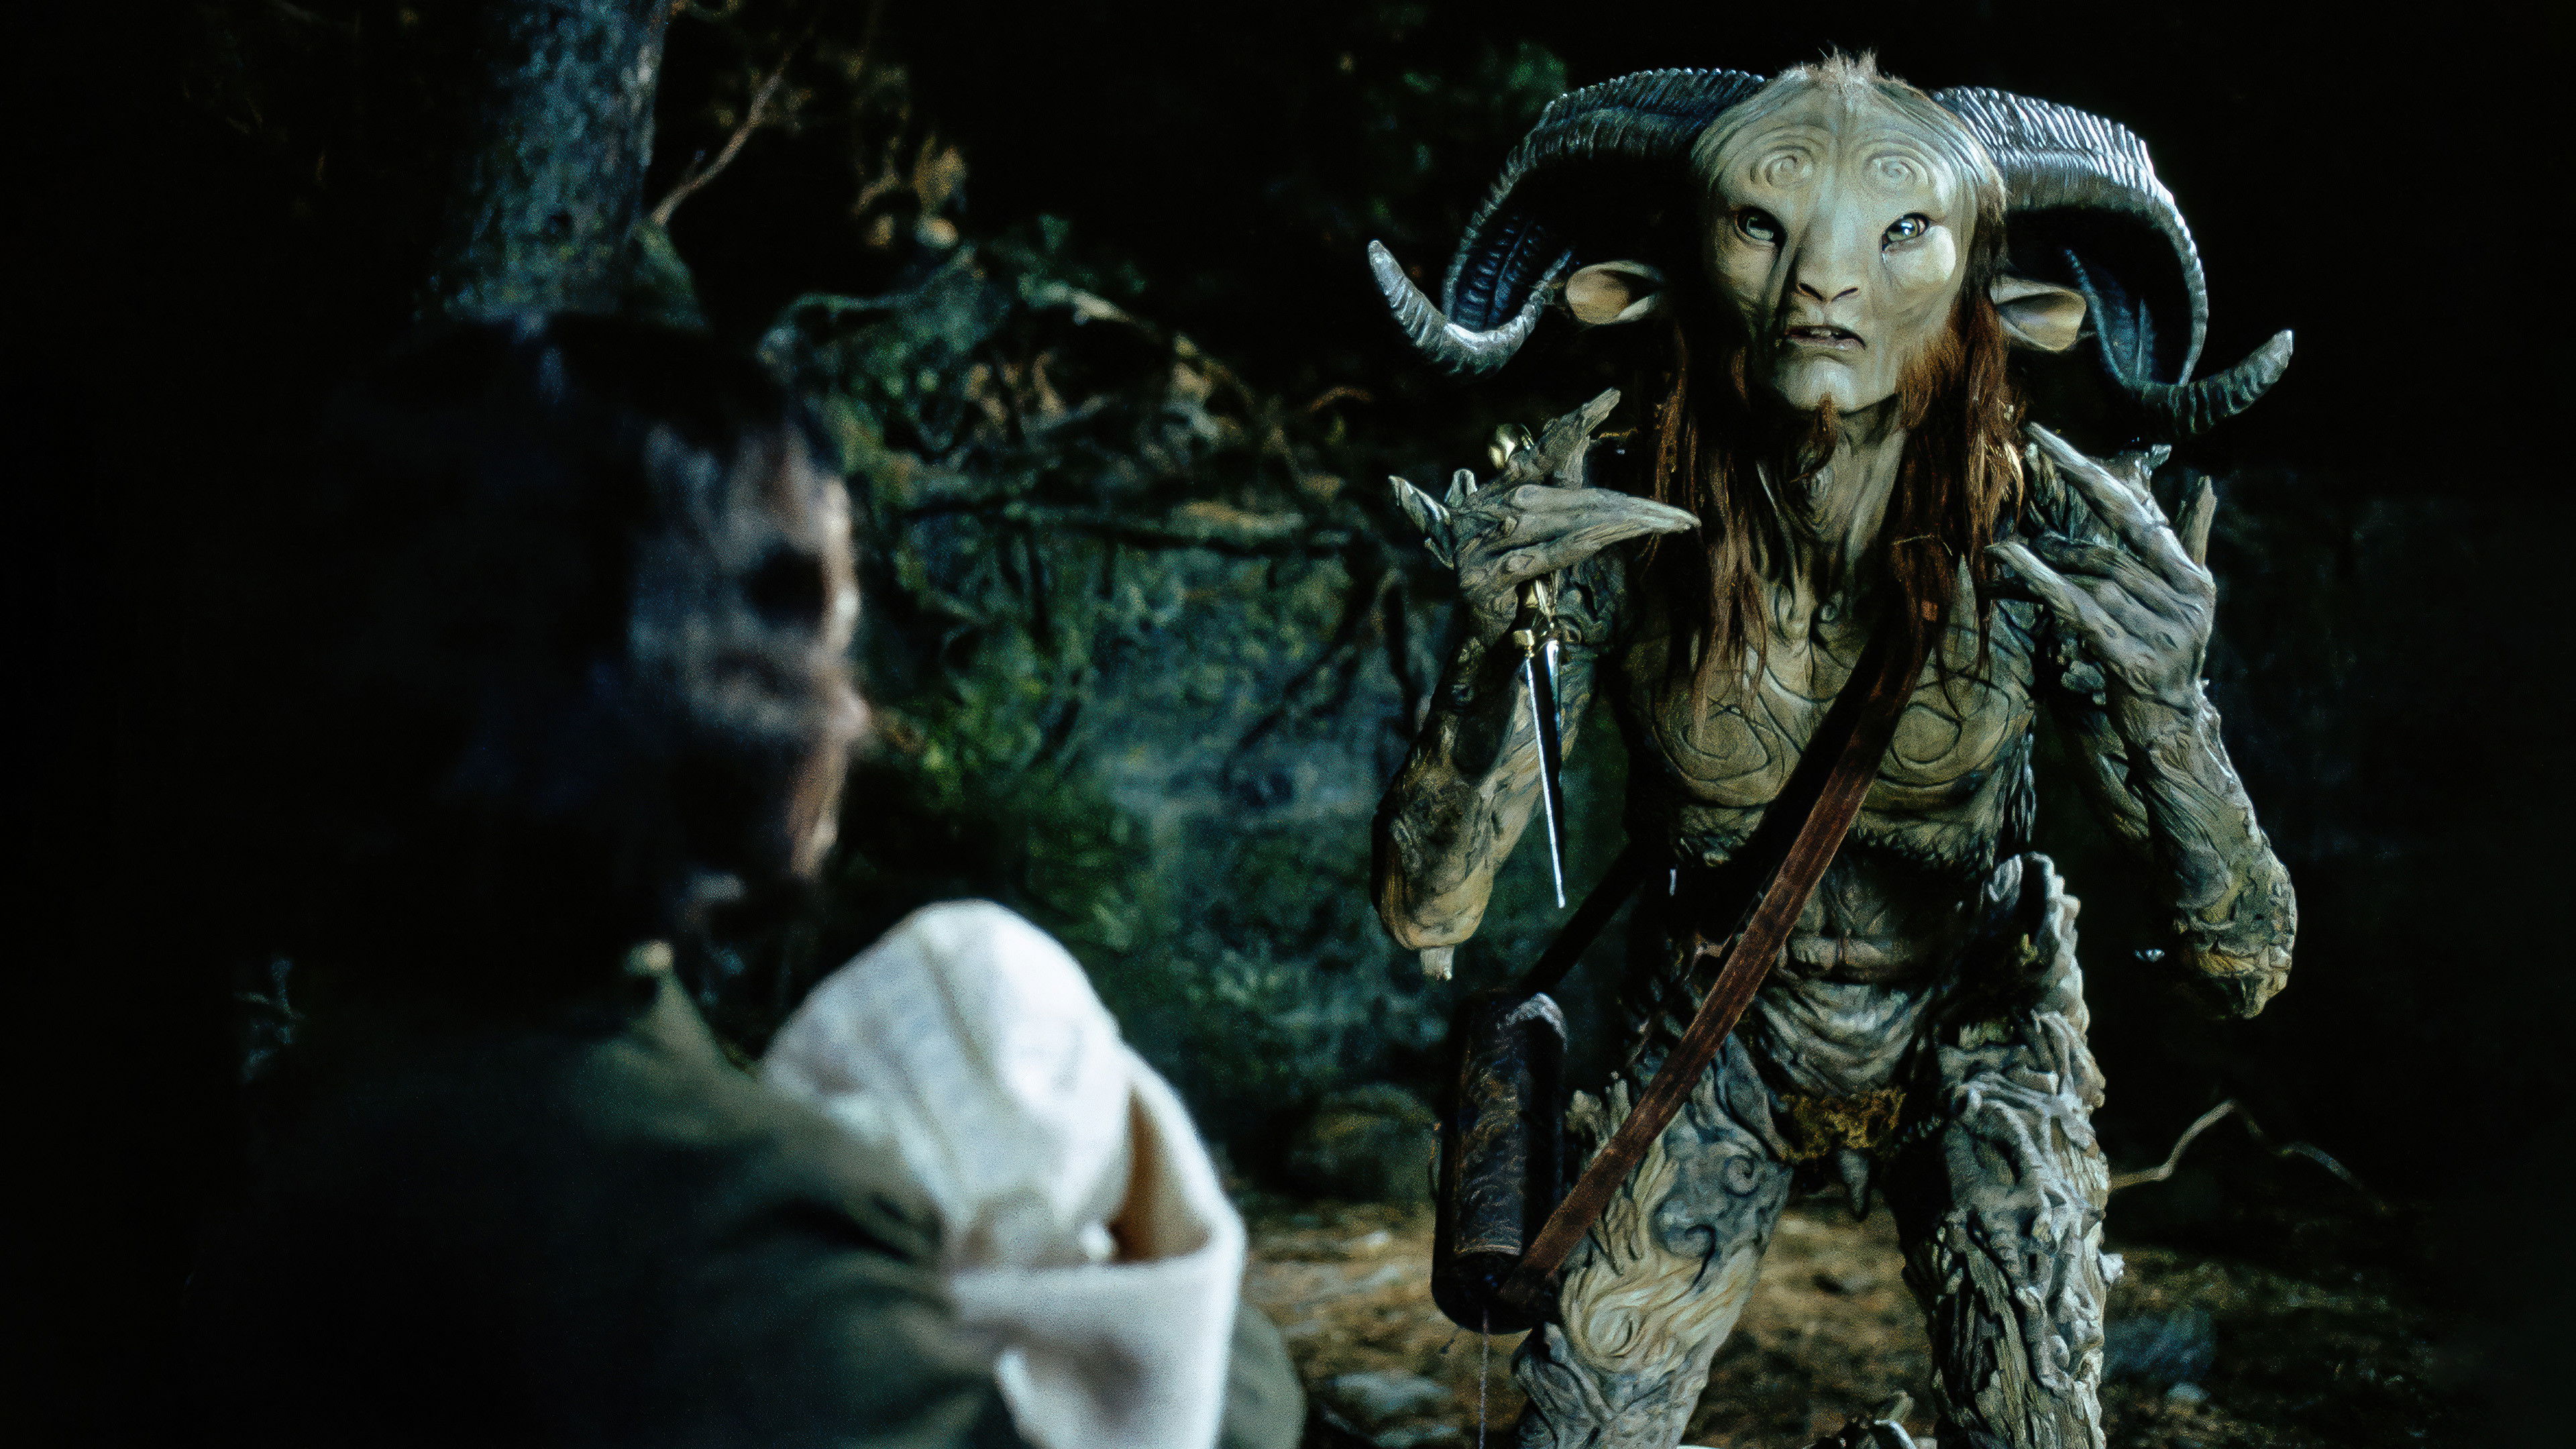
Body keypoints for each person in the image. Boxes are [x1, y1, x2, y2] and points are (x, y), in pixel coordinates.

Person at [1368, 56, 2296, 1449]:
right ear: (1666, 274)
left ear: (1994, 297)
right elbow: (1426, 910)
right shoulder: (1605, 523)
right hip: (1712, 1036)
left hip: (1981, 1028)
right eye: (1763, 224)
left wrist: (2170, 704)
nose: (1823, 279)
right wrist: (1492, 652)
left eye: (1901, 229)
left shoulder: (2054, 537)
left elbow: (2247, 963)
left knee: (2035, 1426)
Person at [183, 315, 1297, 1448]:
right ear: (714, 687)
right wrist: (1142, 1182)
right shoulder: (726, 1237)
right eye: (825, 643)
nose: (856, 714)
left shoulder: (281, 1131)